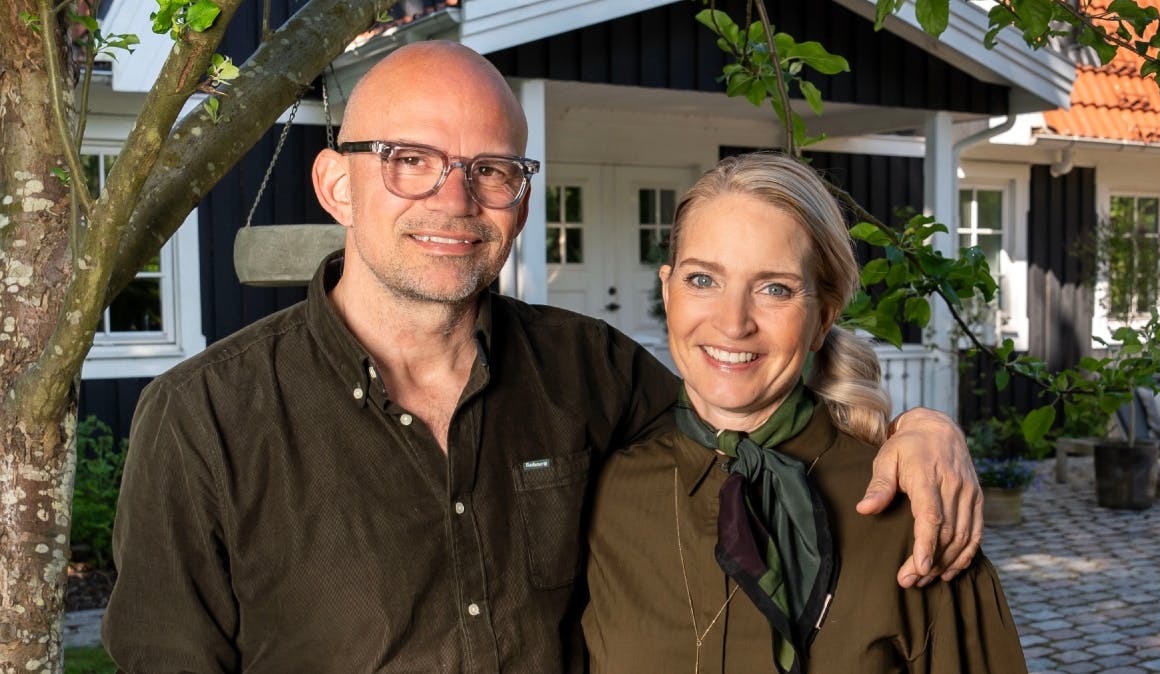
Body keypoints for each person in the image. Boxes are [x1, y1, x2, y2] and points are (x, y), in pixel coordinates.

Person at [103, 42, 981, 672]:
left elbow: (744, 402)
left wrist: (919, 426)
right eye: (412, 160)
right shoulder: (204, 419)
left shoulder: (588, 370)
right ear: (338, 184)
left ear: (521, 200)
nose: (456, 199)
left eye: (492, 169)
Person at [582, 152, 1024, 673]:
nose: (733, 323)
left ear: (822, 318)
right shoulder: (600, 488)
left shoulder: (915, 515)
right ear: (667, 289)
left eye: (775, 289)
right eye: (703, 279)